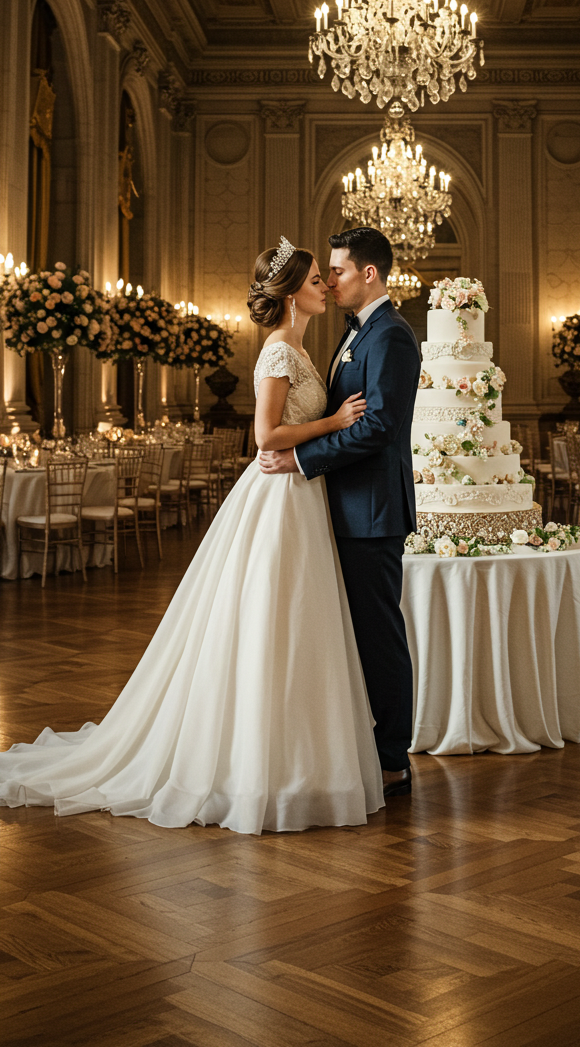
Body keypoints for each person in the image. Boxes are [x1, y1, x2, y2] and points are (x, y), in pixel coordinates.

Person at [0, 241, 384, 835]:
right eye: (314, 279)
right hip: (279, 497)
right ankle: (256, 766)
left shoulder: (303, 349)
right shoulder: (280, 351)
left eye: (324, 277)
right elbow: (266, 435)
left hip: (301, 496)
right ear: (288, 293)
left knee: (296, 622)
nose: (325, 286)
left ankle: (298, 760)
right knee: (269, 619)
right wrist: (334, 422)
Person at [260, 226, 420, 796]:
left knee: (379, 636)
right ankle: (356, 746)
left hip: (371, 513)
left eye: (338, 271)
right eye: (324, 273)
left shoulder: (391, 337)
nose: (330, 280)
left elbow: (378, 426)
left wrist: (303, 458)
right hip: (343, 509)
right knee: (351, 636)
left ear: (368, 274)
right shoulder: (356, 333)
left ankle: (392, 759)